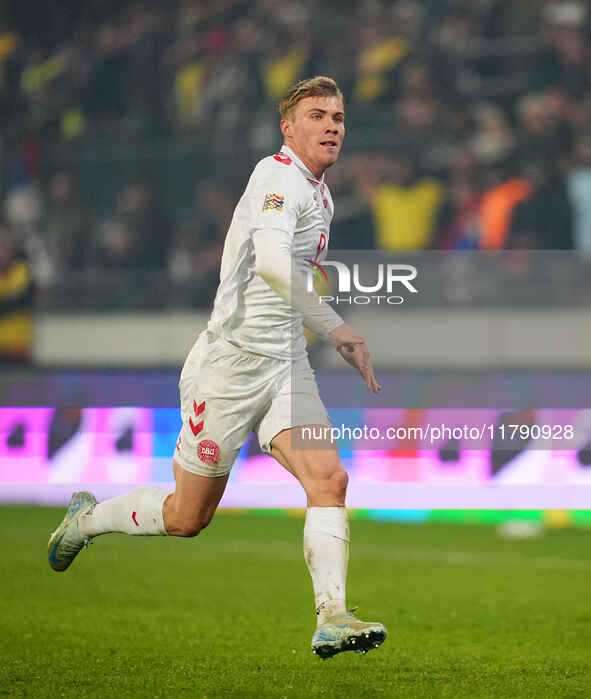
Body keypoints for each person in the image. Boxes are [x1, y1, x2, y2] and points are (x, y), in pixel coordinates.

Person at [48, 76, 387, 659]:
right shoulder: (278, 178)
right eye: (317, 115)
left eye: (338, 116)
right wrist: (339, 328)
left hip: (284, 365)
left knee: (329, 480)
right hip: (228, 369)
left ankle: (331, 614)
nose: (332, 125)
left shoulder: (321, 192)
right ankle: (85, 520)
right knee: (186, 517)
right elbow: (278, 272)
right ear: (289, 127)